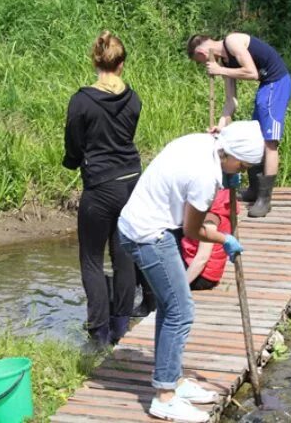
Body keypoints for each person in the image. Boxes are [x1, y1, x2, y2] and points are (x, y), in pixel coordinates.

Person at [118, 121, 264, 422]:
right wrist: (225, 238)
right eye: (243, 166)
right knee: (181, 311)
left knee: (172, 308)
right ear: (232, 156)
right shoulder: (206, 177)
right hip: (147, 234)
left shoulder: (202, 142)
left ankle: (172, 380)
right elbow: (193, 229)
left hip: (149, 222)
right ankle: (165, 398)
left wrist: (227, 181)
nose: (242, 171)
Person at [63, 30, 142, 347]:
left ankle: (98, 331)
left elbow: (74, 142)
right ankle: (121, 324)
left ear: (95, 61)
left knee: (92, 259)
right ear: (121, 63)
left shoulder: (82, 101)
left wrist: (73, 161)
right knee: (123, 254)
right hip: (133, 181)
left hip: (101, 185)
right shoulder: (133, 98)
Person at [187, 33, 291, 217]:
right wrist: (220, 127)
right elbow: (231, 102)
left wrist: (220, 71)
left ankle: (264, 199)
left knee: (270, 142)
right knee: (256, 138)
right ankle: (254, 188)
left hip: (276, 83)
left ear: (202, 52)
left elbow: (252, 73)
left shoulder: (232, 41)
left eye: (200, 61)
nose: (204, 64)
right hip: (265, 87)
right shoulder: (226, 63)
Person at [131, 189, 238, 316]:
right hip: (195, 261)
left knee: (147, 257)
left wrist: (179, 286)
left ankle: (150, 302)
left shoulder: (209, 220)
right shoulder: (218, 202)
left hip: (203, 276)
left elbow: (202, 258)